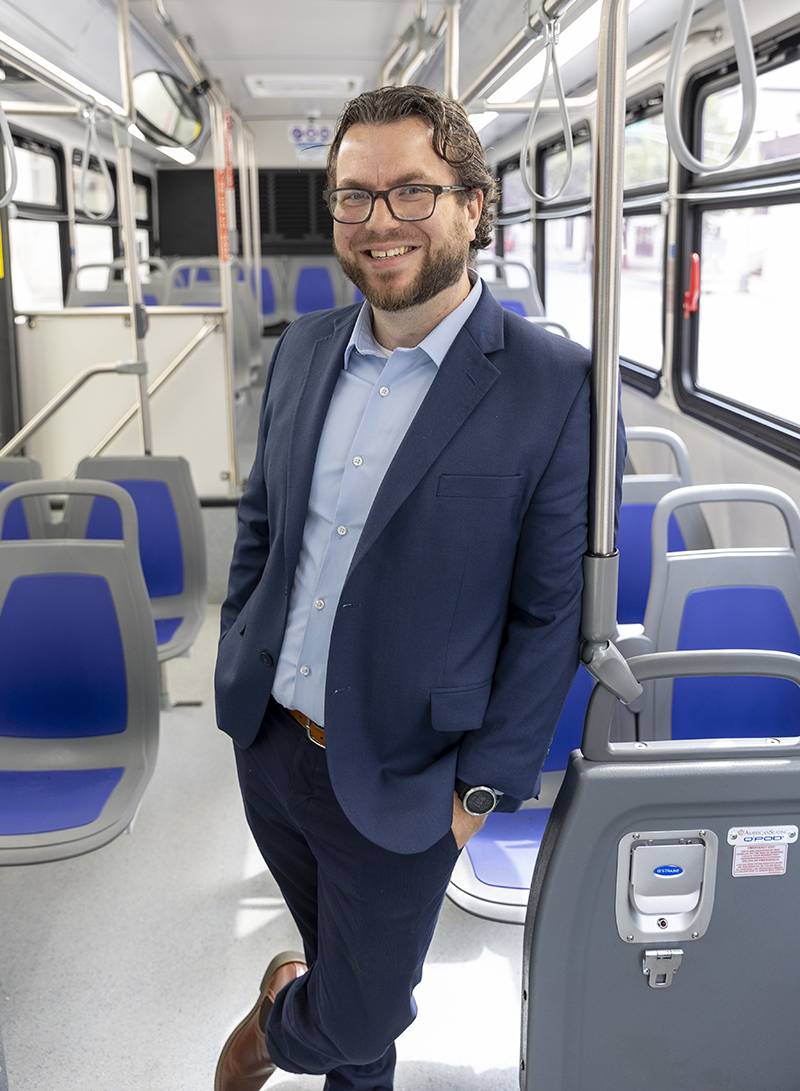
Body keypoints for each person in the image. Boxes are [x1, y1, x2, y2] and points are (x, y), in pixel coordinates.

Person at [214, 84, 624, 1091]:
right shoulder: (303, 349)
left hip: (410, 773)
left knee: (360, 1007)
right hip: (272, 740)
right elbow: (264, 527)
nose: (378, 220)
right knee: (343, 964)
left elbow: (545, 615)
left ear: (472, 206)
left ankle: (271, 1026)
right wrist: (235, 657)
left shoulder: (554, 385)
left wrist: (478, 791)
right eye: (354, 196)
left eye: (411, 191)